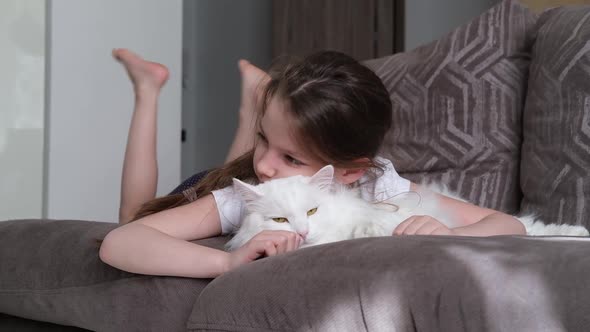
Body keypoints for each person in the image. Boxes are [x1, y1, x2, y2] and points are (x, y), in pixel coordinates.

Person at [99, 48, 526, 279]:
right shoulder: (237, 194)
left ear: (352, 171)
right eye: (264, 140)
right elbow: (121, 242)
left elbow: (509, 225)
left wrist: (443, 231)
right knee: (131, 212)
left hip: (247, 179)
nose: (267, 164)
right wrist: (225, 263)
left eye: (291, 157)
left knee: (247, 164)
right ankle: (148, 92)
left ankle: (255, 108)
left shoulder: (381, 186)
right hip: (210, 187)